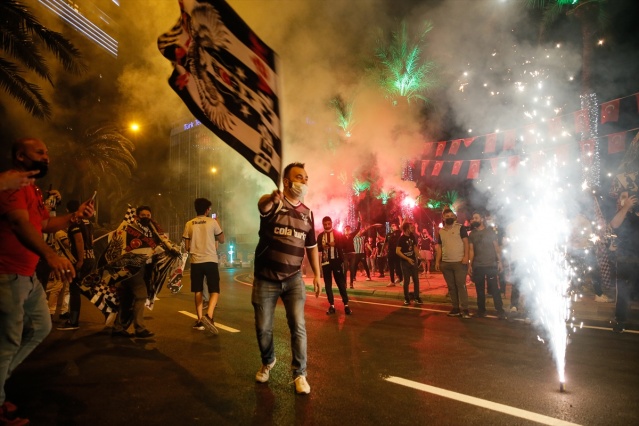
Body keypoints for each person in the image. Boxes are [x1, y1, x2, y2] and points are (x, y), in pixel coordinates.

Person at [0, 138, 95, 425]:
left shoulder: (33, 189)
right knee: (7, 341)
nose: (46, 157)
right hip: (7, 273)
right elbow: (20, 224)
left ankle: (0, 381)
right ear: (20, 155)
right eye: (40, 152)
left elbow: (43, 224)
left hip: (27, 275)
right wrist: (51, 255)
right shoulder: (10, 184)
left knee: (41, 326)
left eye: (47, 152)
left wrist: (74, 217)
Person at [252, 162, 321, 395]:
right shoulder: (274, 204)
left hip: (294, 280)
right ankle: (268, 360)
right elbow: (263, 205)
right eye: (299, 177)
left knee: (298, 326)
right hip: (265, 279)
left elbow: (311, 247)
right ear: (287, 182)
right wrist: (272, 197)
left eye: (306, 178)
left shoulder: (308, 214)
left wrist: (318, 276)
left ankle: (300, 373)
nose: (304, 182)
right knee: (263, 328)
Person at [111, 206, 174, 338]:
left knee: (127, 299)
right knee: (141, 295)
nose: (146, 217)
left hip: (144, 268)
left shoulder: (153, 229)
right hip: (131, 267)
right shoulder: (131, 228)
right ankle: (139, 328)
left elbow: (161, 242)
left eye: (148, 215)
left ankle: (118, 327)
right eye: (143, 215)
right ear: (138, 216)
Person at [183, 198, 225, 333]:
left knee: (198, 290)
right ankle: (209, 316)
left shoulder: (189, 224)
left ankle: (200, 320)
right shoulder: (212, 222)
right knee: (214, 290)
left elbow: (187, 246)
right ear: (207, 210)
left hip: (196, 261)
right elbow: (222, 240)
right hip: (211, 260)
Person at [57, 200, 96, 331]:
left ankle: (73, 321)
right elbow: (90, 240)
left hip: (81, 260)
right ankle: (109, 310)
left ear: (68, 211)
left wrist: (80, 260)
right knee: (85, 288)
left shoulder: (75, 224)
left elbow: (79, 240)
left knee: (75, 290)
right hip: (91, 258)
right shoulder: (89, 223)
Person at [609, 190, 639, 333]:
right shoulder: (620, 214)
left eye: (629, 198)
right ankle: (620, 321)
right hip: (625, 260)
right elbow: (614, 224)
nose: (626, 200)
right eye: (623, 198)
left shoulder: (636, 215)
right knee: (623, 294)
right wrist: (626, 207)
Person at [468, 212, 506, 319]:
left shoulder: (490, 232)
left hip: (491, 265)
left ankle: (500, 311)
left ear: (482, 219)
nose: (473, 219)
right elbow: (471, 250)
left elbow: (496, 248)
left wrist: (499, 262)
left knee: (494, 289)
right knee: (479, 290)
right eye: (473, 218)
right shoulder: (472, 234)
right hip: (478, 266)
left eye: (476, 218)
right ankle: (481, 311)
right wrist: (470, 265)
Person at [435, 208, 471, 318]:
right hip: (446, 263)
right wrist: (437, 261)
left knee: (461, 285)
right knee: (451, 287)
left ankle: (465, 309)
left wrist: (466, 257)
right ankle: (455, 308)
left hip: (459, 262)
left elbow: (466, 243)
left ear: (454, 217)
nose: (449, 217)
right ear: (443, 218)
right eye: (447, 216)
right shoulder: (441, 232)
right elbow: (440, 248)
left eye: (451, 215)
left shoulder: (460, 228)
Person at [317, 216, 351, 315]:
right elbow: (317, 248)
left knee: (340, 283)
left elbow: (345, 245)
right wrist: (322, 246)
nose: (327, 226)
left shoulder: (337, 234)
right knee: (328, 284)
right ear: (323, 224)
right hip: (325, 262)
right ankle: (331, 305)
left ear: (331, 223)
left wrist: (335, 244)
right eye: (325, 224)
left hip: (336, 261)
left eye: (329, 224)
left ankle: (346, 305)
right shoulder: (320, 236)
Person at [396, 222, 422, 306]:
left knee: (416, 280)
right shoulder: (401, 239)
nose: (413, 228)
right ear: (407, 229)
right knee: (406, 281)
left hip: (413, 261)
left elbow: (414, 248)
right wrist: (407, 259)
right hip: (404, 263)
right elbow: (397, 251)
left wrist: (420, 257)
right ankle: (406, 298)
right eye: (411, 227)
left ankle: (416, 297)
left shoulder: (412, 236)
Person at [342, 221, 361, 288]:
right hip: (345, 254)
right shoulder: (342, 237)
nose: (347, 230)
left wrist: (359, 222)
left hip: (352, 254)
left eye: (349, 229)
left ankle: (351, 283)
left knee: (352, 268)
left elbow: (357, 229)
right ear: (344, 230)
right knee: (345, 269)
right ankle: (344, 283)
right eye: (346, 229)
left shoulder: (352, 235)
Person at [386, 221, 403, 286]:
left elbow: (401, 227)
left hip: (397, 252)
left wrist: (400, 219)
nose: (392, 227)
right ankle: (392, 281)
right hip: (390, 252)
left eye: (393, 225)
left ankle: (401, 279)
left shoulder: (399, 232)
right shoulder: (389, 234)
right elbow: (386, 243)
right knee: (391, 267)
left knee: (398, 266)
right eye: (391, 226)